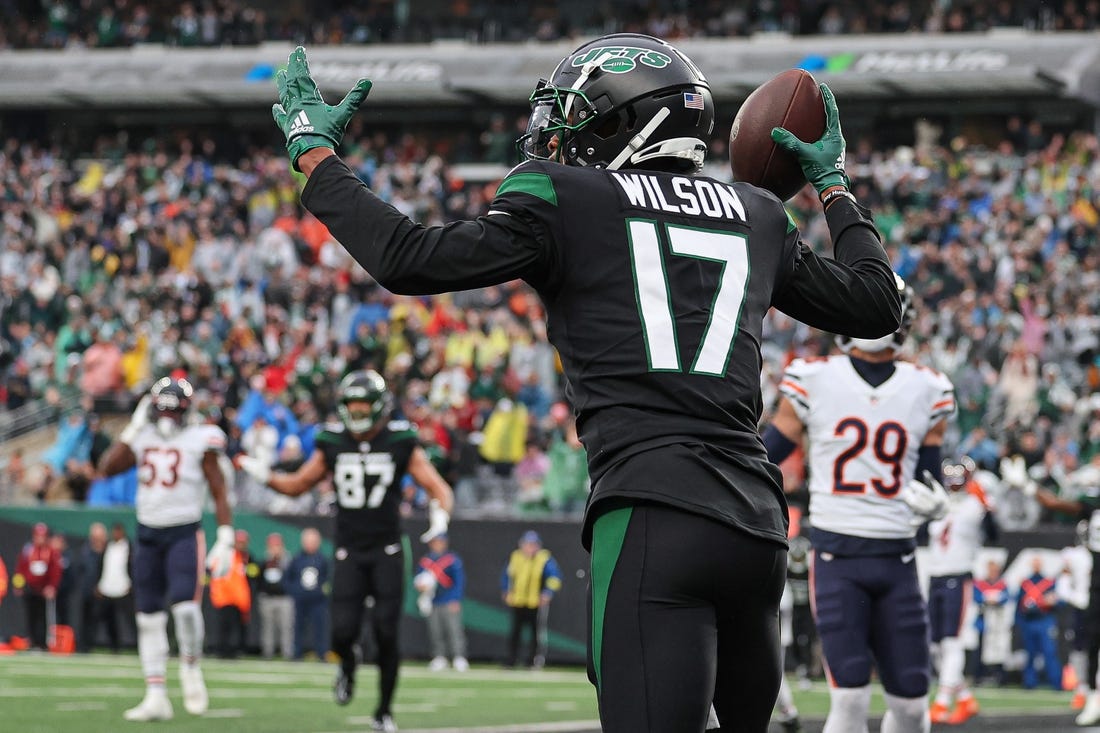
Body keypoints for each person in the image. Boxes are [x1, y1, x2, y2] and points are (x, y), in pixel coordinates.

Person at [270, 33, 901, 732]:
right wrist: (834, 185)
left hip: (653, 512)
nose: (559, 134)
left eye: (578, 116)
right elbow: (878, 305)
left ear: (625, 122)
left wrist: (316, 156)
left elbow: (408, 258)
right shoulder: (756, 214)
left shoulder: (564, 196)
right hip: (755, 526)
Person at [763, 287, 954, 733]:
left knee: (911, 708)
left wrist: (938, 499)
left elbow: (928, 479)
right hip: (837, 555)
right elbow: (765, 455)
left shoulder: (928, 387)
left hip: (898, 556)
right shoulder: (815, 377)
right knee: (848, 701)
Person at [237, 370, 454, 733]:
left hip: (386, 549)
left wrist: (441, 515)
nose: (356, 412)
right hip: (349, 551)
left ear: (379, 406)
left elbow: (438, 487)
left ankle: (384, 710)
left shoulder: (400, 440)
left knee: (386, 633)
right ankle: (348, 665)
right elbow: (297, 485)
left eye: (362, 405)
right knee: (341, 633)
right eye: (350, 405)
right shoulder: (332, 441)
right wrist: (266, 475)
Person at [97, 376, 236, 721]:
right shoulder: (141, 435)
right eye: (163, 411)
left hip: (184, 532)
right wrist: (132, 427)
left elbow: (218, 489)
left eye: (175, 413)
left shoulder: (200, 439)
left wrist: (226, 536)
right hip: (147, 533)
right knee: (148, 618)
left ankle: (191, 664)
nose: (168, 419)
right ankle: (155, 694)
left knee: (186, 610)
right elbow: (106, 468)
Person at [925, 456, 999, 724]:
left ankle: (943, 702)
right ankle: (965, 697)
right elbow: (925, 531)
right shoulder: (939, 501)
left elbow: (993, 533)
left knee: (951, 642)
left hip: (959, 575)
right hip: (935, 576)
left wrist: (986, 506)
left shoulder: (974, 503)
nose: (954, 483)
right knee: (934, 646)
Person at [1033, 486, 1100, 724]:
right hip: (1095, 590)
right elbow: (1054, 504)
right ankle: (1092, 696)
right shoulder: (1092, 508)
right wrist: (1029, 487)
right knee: (1091, 645)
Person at [501, 530, 562, 669]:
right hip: (518, 601)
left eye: (533, 544)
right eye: (527, 544)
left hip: (535, 602)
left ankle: (533, 660)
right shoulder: (515, 557)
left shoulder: (544, 558)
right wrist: (506, 590)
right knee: (515, 632)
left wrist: (547, 592)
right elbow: (506, 576)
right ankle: (512, 659)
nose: (530, 547)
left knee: (536, 633)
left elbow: (555, 578)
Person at [414, 532, 468, 672]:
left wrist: (455, 599)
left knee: (454, 629)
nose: (438, 545)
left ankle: (458, 657)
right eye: (436, 542)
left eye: (440, 542)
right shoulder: (426, 561)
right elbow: (418, 578)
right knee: (435, 631)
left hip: (449, 599)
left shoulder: (452, 560)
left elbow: (459, 582)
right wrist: (420, 586)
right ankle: (439, 657)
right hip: (432, 600)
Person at [1015, 554, 1062, 691]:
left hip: (1044, 620)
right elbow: (1019, 604)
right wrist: (1019, 622)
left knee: (1050, 652)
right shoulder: (1025, 583)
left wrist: (1049, 602)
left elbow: (1057, 602)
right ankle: (1029, 682)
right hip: (1029, 622)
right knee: (1030, 654)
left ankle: (1056, 683)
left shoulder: (1048, 583)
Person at [12, 522, 62, 650]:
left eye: (42, 536)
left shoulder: (51, 551)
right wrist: (18, 585)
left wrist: (52, 586)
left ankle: (43, 643)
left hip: (44, 590)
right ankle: (32, 641)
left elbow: (55, 570)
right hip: (30, 588)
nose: (39, 539)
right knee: (31, 616)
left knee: (43, 617)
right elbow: (20, 569)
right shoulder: (28, 550)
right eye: (37, 536)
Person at [287, 527, 329, 661]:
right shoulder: (297, 558)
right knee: (298, 628)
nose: (310, 544)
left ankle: (322, 653)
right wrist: (295, 591)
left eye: (313, 541)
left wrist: (322, 591)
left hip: (318, 601)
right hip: (300, 600)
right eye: (308, 541)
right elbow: (287, 578)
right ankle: (297, 654)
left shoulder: (323, 559)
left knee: (320, 628)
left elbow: (328, 578)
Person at [209, 529, 253, 659]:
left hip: (239, 599)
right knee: (224, 626)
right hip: (225, 597)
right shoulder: (226, 555)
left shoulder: (247, 557)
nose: (241, 544)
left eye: (243, 542)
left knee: (237, 627)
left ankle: (235, 650)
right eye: (239, 541)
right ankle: (222, 650)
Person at [973, 558, 1011, 687]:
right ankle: (979, 676)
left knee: (999, 649)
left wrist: (994, 599)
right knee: (981, 650)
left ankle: (1000, 677)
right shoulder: (980, 583)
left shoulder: (1002, 584)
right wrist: (988, 599)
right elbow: (976, 597)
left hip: (998, 623)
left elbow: (1006, 597)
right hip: (984, 622)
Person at [257, 531, 294, 660]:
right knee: (267, 627)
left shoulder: (287, 561)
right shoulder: (264, 561)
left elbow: (291, 576)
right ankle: (268, 653)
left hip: (284, 598)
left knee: (286, 627)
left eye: (277, 545)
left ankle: (287, 653)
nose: (275, 548)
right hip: (268, 598)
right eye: (273, 545)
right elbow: (259, 579)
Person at [77, 522, 108, 653]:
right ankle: (84, 646)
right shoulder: (85, 550)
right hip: (88, 591)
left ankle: (114, 646)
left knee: (110, 620)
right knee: (86, 620)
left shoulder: (110, 551)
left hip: (107, 591)